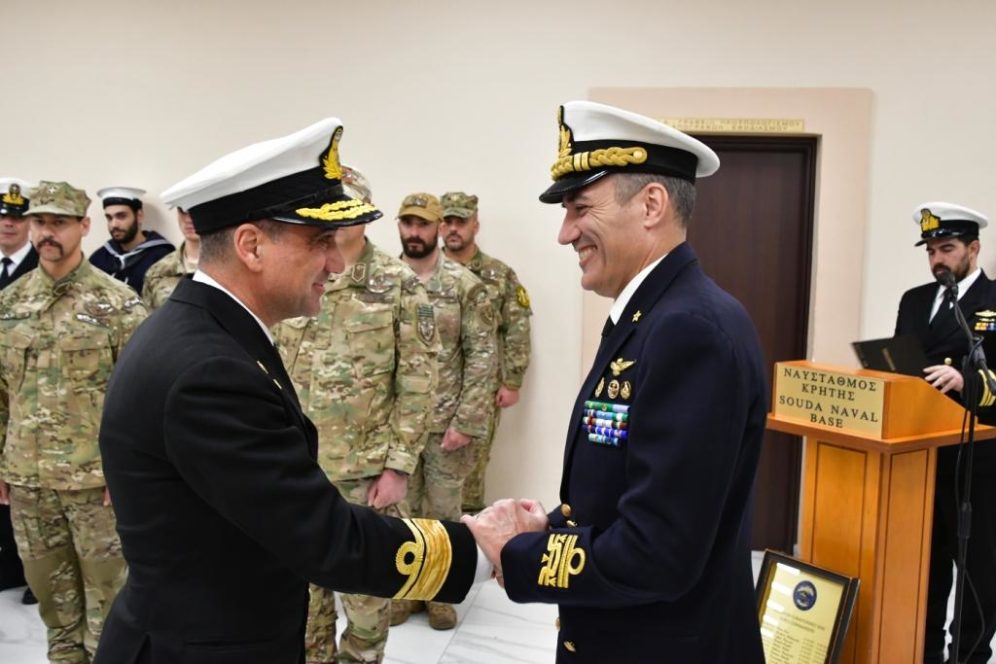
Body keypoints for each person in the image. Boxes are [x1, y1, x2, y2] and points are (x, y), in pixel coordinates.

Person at [95, 118, 481, 664]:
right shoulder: (209, 371)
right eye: (320, 241)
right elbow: (326, 539)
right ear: (251, 246)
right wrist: (479, 550)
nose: (336, 262)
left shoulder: (207, 329)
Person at [463, 101, 768, 663]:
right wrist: (550, 526)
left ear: (651, 205)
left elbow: (659, 551)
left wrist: (521, 554)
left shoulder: (688, 330)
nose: (565, 234)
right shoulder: (655, 316)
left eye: (580, 208)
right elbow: (632, 491)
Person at [273, 166, 439, 663]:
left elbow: (418, 382)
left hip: (365, 476)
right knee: (304, 603)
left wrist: (398, 467)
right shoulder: (294, 276)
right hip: (298, 471)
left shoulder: (397, 284)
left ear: (364, 217)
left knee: (366, 601)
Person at [0, 180, 147, 662]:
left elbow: (141, 399)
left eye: (59, 223)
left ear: (83, 226)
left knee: (111, 603)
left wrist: (127, 473)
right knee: (53, 604)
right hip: (28, 482)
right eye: (39, 222)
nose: (47, 232)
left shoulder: (118, 304)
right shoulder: (9, 305)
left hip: (95, 484)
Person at [894, 202, 996, 664]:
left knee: (976, 570)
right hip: (922, 451)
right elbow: (902, 364)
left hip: (977, 458)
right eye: (931, 251)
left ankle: (968, 656)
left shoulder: (993, 302)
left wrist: (965, 381)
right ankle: (925, 652)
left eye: (947, 248)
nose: (938, 259)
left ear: (973, 250)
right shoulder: (915, 300)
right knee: (925, 564)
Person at [391, 193, 498, 630]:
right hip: (397, 426)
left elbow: (483, 356)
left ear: (438, 228)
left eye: (423, 224)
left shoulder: (464, 285)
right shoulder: (385, 279)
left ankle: (438, 594)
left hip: (446, 425)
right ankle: (404, 590)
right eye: (408, 223)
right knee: (398, 513)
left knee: (442, 514)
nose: (415, 232)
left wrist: (467, 422)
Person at [439, 191, 532, 513]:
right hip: (427, 388)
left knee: (471, 471)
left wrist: (513, 380)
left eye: (461, 222)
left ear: (475, 226)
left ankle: (467, 532)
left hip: (479, 391)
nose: (454, 228)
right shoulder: (417, 269)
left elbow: (517, 327)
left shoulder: (498, 274)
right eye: (448, 221)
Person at [0, 177, 38, 606]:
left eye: (16, 217)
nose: (7, 224)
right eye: (2, 217)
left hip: (28, 394)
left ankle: (29, 570)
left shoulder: (40, 271)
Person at [89, 186, 174, 293]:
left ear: (139, 216)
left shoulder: (162, 257)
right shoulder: (99, 259)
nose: (114, 224)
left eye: (121, 216)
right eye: (109, 218)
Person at [141, 206, 200, 309]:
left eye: (196, 210)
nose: (188, 219)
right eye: (183, 211)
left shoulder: (227, 267)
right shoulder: (157, 272)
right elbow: (149, 317)